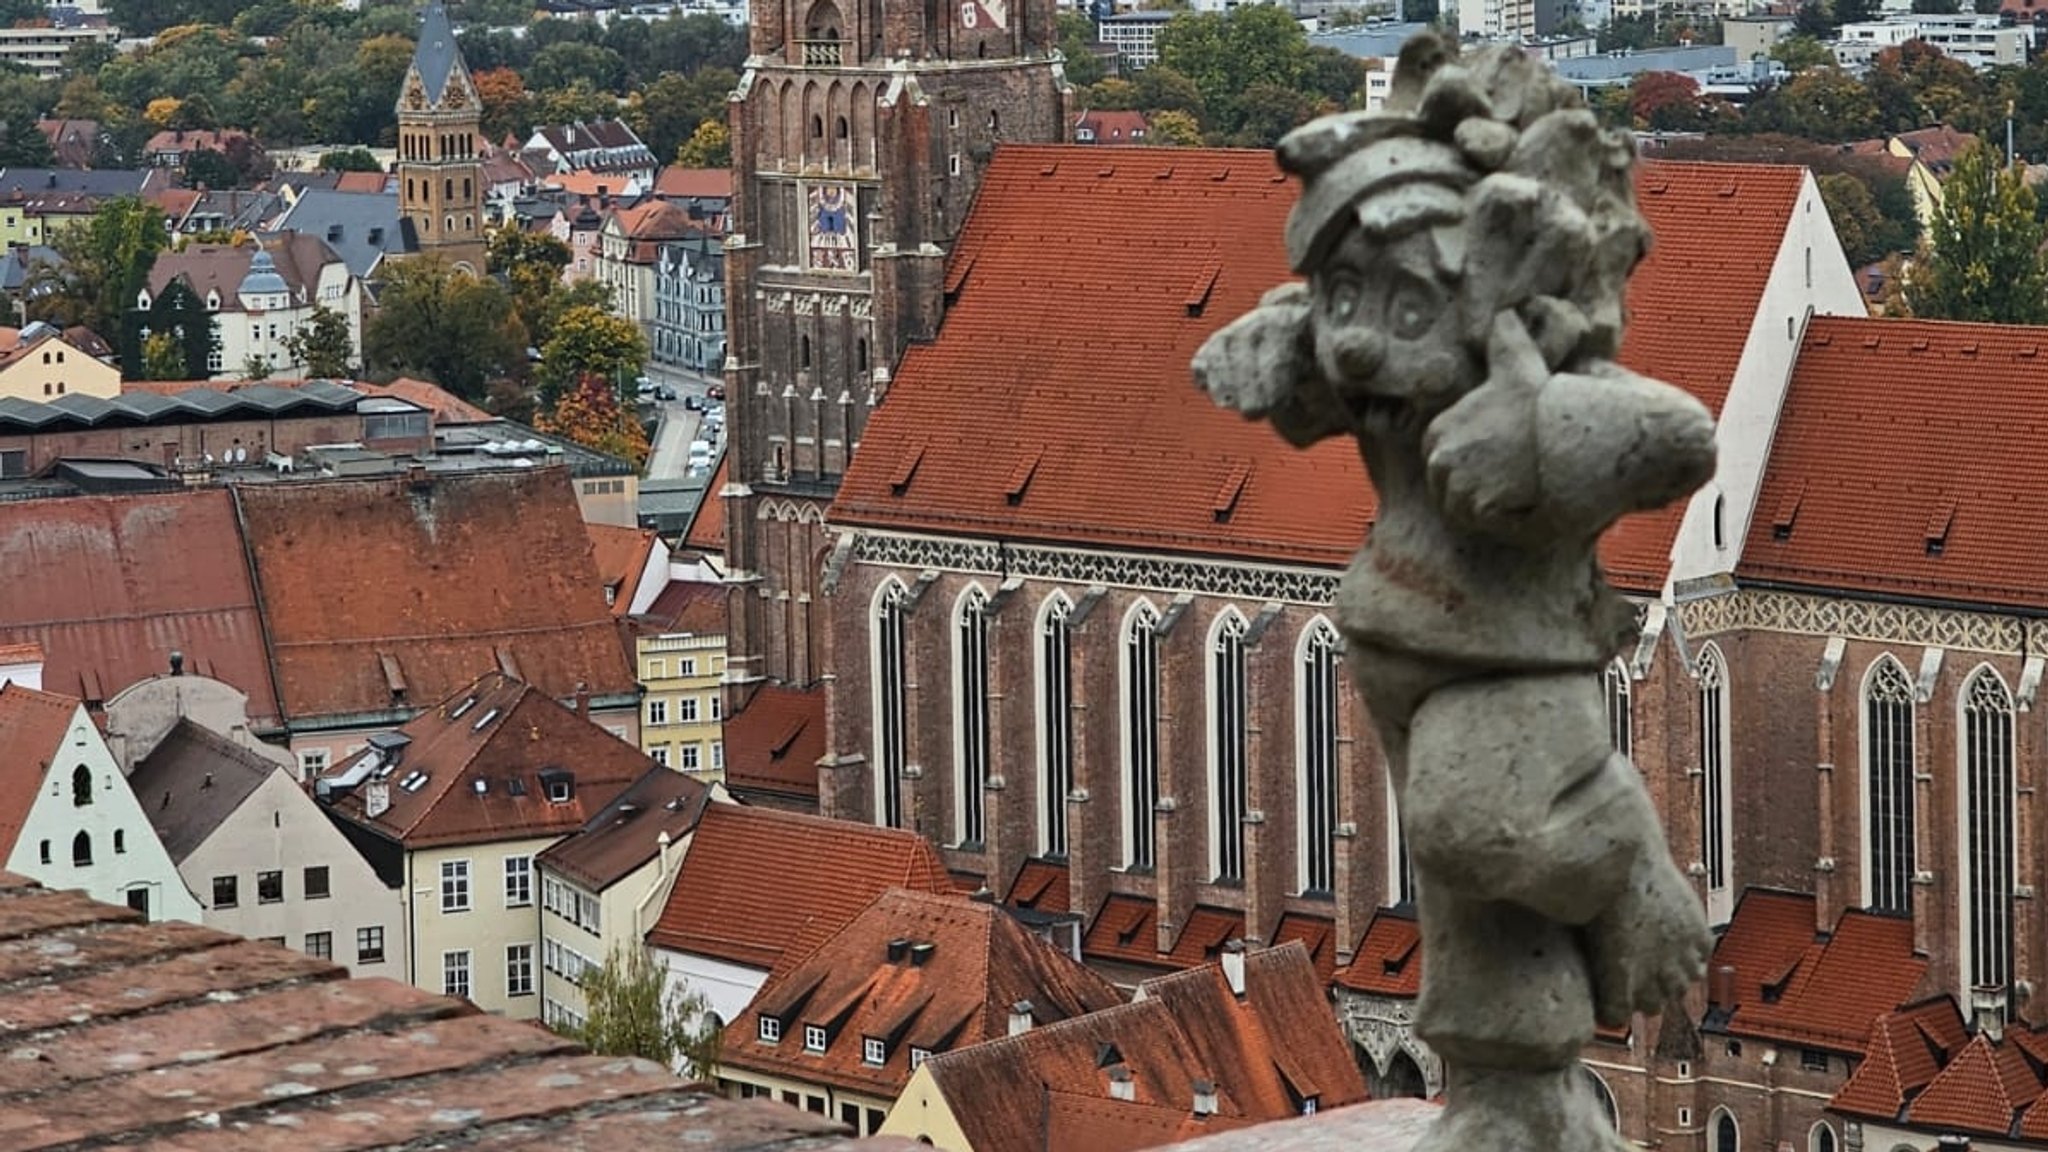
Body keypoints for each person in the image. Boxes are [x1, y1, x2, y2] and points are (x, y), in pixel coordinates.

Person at [1193, 30, 1716, 1152]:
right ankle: (1509, 1097)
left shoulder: (1536, 384)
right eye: (1343, 298)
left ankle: (1626, 858)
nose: (1363, 347)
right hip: (1399, 648)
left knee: (1469, 826)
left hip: (1511, 659)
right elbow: (1323, 364)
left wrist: (1536, 431)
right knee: (1464, 900)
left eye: (1409, 311)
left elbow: (1679, 437)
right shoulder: (1379, 371)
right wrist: (1277, 348)